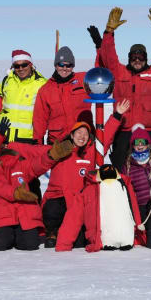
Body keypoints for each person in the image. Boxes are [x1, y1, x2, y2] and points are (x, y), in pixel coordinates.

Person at [96, 5, 151, 166]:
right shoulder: (119, 72)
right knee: (121, 170)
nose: (137, 60)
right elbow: (107, 54)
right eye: (133, 57)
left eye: (140, 57)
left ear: (146, 58)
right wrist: (109, 31)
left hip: (149, 131)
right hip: (123, 131)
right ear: (129, 58)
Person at [42, 104, 123, 250]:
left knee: (79, 243)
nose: (82, 136)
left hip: (79, 202)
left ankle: (64, 234)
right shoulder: (60, 150)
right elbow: (35, 153)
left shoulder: (92, 152)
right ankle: (52, 232)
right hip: (59, 198)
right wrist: (12, 147)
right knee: (53, 208)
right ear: (72, 135)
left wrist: (116, 115)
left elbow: (107, 134)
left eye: (85, 134)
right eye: (78, 133)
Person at [0, 136, 72, 251]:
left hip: (23, 214)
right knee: (0, 244)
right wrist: (15, 193)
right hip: (1, 216)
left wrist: (51, 156)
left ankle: (18, 234)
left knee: (30, 244)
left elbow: (34, 165)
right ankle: (6, 235)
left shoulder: (15, 163)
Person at [32, 46, 88, 145]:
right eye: (61, 65)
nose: (65, 69)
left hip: (82, 140)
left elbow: (100, 71)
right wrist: (38, 143)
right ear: (56, 65)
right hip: (57, 143)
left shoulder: (83, 80)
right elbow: (39, 119)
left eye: (69, 65)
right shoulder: (45, 90)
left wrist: (99, 46)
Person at [0, 49, 47, 143]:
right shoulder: (7, 81)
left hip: (28, 139)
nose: (21, 68)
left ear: (31, 65)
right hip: (4, 137)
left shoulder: (42, 84)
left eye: (24, 65)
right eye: (17, 66)